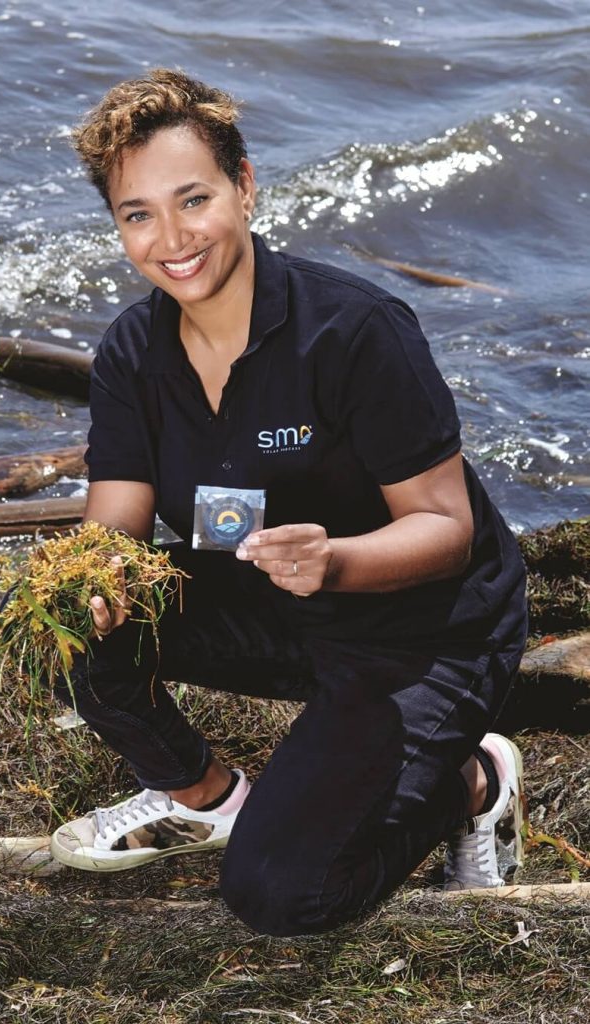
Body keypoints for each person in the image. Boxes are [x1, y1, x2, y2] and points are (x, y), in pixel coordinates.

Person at [49, 69, 528, 937]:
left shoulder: (352, 330)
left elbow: (447, 530)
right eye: (138, 214)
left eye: (193, 199)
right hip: (272, 602)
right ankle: (208, 796)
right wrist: (94, 585)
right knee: (58, 622)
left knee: (279, 894)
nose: (171, 238)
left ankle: (474, 780)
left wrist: (334, 559)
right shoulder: (131, 351)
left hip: (421, 630)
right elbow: (112, 527)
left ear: (244, 185)